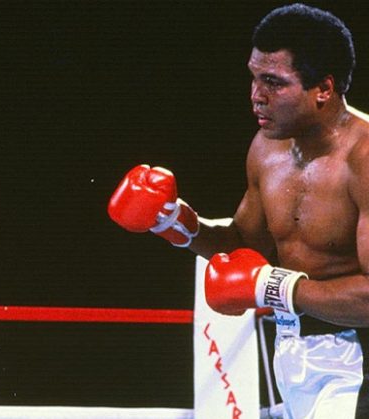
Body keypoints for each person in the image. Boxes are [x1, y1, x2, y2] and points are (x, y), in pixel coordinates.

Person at [108, 3, 369, 418]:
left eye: (273, 82)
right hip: (295, 351)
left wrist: (273, 286)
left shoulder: (363, 157)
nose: (255, 96)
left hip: (358, 359)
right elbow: (247, 246)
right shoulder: (268, 148)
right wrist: (177, 222)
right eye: (253, 76)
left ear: (323, 88)